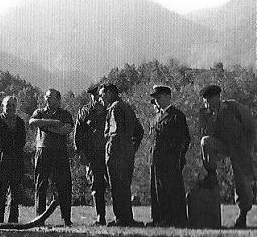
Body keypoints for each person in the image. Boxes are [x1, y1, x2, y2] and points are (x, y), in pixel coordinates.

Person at [198, 84, 256, 228]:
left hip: (240, 148)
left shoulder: (233, 108)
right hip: (222, 146)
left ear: (217, 98)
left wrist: (249, 148)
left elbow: (251, 126)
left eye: (208, 100)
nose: (205, 103)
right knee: (205, 141)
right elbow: (206, 133)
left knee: (243, 182)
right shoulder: (205, 113)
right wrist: (212, 116)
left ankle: (243, 215)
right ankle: (211, 173)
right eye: (204, 100)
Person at [99, 83, 144, 227]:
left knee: (117, 187)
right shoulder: (127, 107)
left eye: (102, 94)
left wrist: (112, 148)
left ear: (110, 93)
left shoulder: (115, 108)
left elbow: (115, 132)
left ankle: (121, 218)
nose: (101, 98)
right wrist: (132, 148)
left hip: (116, 153)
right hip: (126, 153)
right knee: (124, 187)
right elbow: (139, 131)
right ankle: (127, 218)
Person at [148, 85, 190, 227]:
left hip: (170, 160)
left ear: (167, 97)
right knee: (157, 191)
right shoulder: (156, 117)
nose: (157, 101)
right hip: (156, 158)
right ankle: (158, 218)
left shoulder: (177, 115)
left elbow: (184, 139)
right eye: (155, 98)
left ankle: (173, 219)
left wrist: (178, 157)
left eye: (159, 97)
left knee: (171, 190)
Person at [30, 89, 74, 226]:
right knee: (41, 185)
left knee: (64, 186)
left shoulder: (65, 114)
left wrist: (46, 127)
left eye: (51, 98)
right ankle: (39, 218)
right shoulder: (39, 112)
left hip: (60, 152)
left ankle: (66, 219)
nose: (48, 100)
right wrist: (54, 122)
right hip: (42, 151)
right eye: (47, 97)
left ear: (58, 100)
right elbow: (32, 122)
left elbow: (66, 129)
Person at [0, 96, 26, 223]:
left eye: (13, 105)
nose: (11, 108)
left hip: (16, 159)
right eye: (8, 105)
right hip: (0, 159)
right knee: (0, 192)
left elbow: (23, 140)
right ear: (2, 106)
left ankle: (13, 222)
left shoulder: (20, 122)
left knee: (15, 192)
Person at [74, 85, 108, 225]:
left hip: (110, 153)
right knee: (96, 185)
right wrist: (80, 152)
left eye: (99, 96)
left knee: (116, 184)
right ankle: (101, 216)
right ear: (91, 97)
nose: (97, 99)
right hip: (93, 155)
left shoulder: (110, 110)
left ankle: (122, 216)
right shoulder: (84, 111)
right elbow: (78, 134)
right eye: (94, 96)